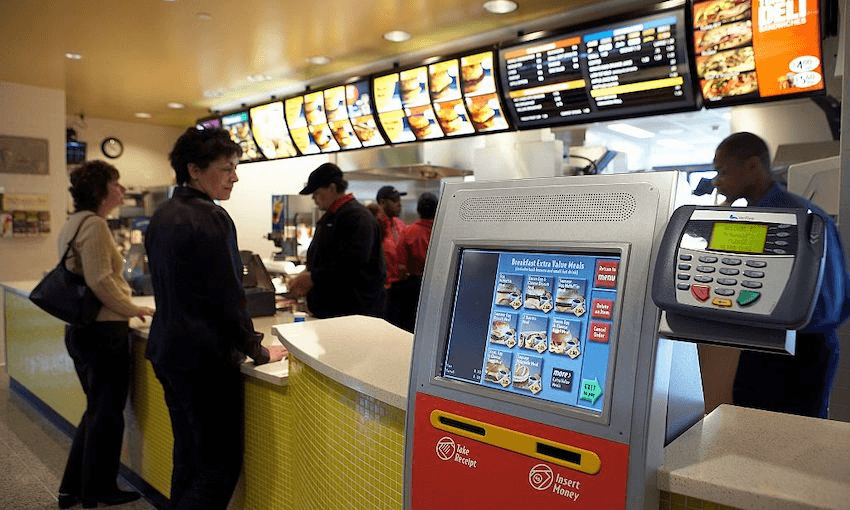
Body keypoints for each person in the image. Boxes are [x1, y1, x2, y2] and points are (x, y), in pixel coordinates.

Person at [144, 127, 285, 510]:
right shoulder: (211, 218)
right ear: (194, 170)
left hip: (168, 351)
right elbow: (228, 298)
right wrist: (257, 349)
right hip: (203, 359)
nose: (235, 177)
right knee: (219, 467)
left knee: (188, 456)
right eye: (226, 168)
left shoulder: (162, 215)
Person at [712, 131, 850, 418]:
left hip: (802, 350)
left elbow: (831, 303)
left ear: (752, 166)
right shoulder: (750, 219)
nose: (717, 181)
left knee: (796, 440)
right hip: (762, 346)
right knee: (748, 423)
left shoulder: (803, 219)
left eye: (723, 171)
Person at [57, 160, 155, 509]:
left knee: (96, 411)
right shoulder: (95, 225)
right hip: (103, 332)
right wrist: (134, 309)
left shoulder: (73, 223)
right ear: (101, 190)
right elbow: (100, 280)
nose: (122, 190)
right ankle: (98, 489)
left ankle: (75, 487)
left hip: (82, 331)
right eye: (117, 183)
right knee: (107, 414)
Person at [288, 163, 387, 318]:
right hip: (330, 313)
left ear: (332, 188)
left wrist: (313, 277)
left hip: (353, 316)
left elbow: (351, 265)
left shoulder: (357, 218)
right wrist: (307, 274)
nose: (314, 199)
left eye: (316, 193)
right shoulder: (330, 217)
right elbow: (325, 259)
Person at [394, 192, 438, 332]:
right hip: (438, 285)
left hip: (413, 287)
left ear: (418, 210)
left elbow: (400, 266)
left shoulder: (408, 231)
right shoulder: (442, 231)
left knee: (411, 327)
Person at [376, 185, 409, 325]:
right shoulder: (375, 225)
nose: (399, 203)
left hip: (401, 287)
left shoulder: (400, 224)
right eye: (394, 200)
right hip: (384, 289)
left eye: (399, 199)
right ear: (382, 203)